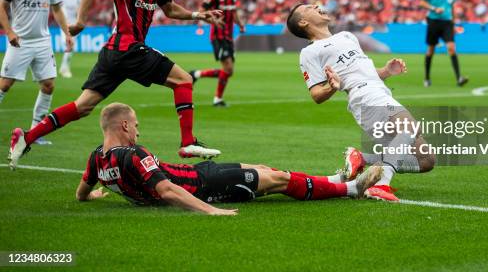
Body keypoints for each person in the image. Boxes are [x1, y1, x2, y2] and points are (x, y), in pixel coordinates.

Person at [9, 0, 222, 170]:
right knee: (184, 80)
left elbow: (170, 9)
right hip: (127, 48)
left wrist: (198, 15)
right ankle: (187, 143)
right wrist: (80, 22)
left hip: (114, 54)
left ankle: (27, 137)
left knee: (83, 106)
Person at [76, 103, 383, 214]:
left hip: (200, 172)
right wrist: (210, 211)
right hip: (204, 185)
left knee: (264, 169)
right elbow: (167, 190)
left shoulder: (96, 159)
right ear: (125, 125)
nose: (139, 133)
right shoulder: (133, 154)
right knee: (279, 180)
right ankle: (351, 189)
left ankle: (335, 180)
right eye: (137, 126)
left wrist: (95, 194)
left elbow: (81, 192)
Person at [286, 3, 435, 202]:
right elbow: (316, 94)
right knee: (409, 127)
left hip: (378, 91)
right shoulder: (310, 52)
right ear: (303, 22)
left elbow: (367, 73)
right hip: (363, 96)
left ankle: (362, 159)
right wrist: (332, 86)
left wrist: (386, 71)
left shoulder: (347, 36)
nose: (316, 5)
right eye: (309, 7)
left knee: (426, 160)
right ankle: (381, 185)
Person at [0, 0, 74, 146]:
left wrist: (67, 32)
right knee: (5, 84)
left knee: (49, 85)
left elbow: (57, 8)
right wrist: (9, 32)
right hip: (20, 42)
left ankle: (35, 131)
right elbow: (1, 6)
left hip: (43, 41)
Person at [190, 0, 245, 107]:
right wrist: (214, 21)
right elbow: (201, 12)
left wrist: (239, 23)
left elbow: (233, 12)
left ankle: (197, 74)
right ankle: (217, 99)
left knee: (229, 71)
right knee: (228, 68)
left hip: (229, 36)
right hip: (217, 36)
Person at [419, 0, 468, 87]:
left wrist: (454, 23)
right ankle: (427, 78)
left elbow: (451, 7)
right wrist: (434, 8)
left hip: (447, 22)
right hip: (434, 21)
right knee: (431, 50)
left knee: (451, 48)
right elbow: (422, 2)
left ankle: (459, 78)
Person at [59, 0, 81, 78]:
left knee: (71, 48)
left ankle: (64, 68)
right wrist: (65, 24)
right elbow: (61, 13)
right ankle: (64, 69)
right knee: (69, 47)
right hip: (65, 26)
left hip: (75, 27)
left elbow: (81, 12)